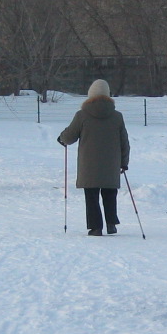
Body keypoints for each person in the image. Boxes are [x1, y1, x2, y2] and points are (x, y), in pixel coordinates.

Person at [57, 79, 131, 236]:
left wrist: (62, 138)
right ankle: (111, 223)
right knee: (110, 192)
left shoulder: (82, 115)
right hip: (111, 164)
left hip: (89, 164)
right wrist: (124, 162)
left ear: (90, 95)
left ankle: (96, 227)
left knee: (91, 195)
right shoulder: (117, 116)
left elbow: (69, 136)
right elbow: (124, 142)